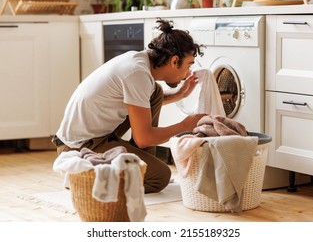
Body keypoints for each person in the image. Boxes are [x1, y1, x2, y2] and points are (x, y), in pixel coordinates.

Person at [52, 18, 206, 193]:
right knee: (159, 177)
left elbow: (139, 101)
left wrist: (179, 94)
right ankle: (84, 180)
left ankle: (141, 163)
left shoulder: (139, 62)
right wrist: (185, 126)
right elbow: (144, 138)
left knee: (154, 92)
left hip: (97, 135)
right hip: (79, 146)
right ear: (174, 61)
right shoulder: (137, 73)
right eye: (188, 66)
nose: (188, 74)